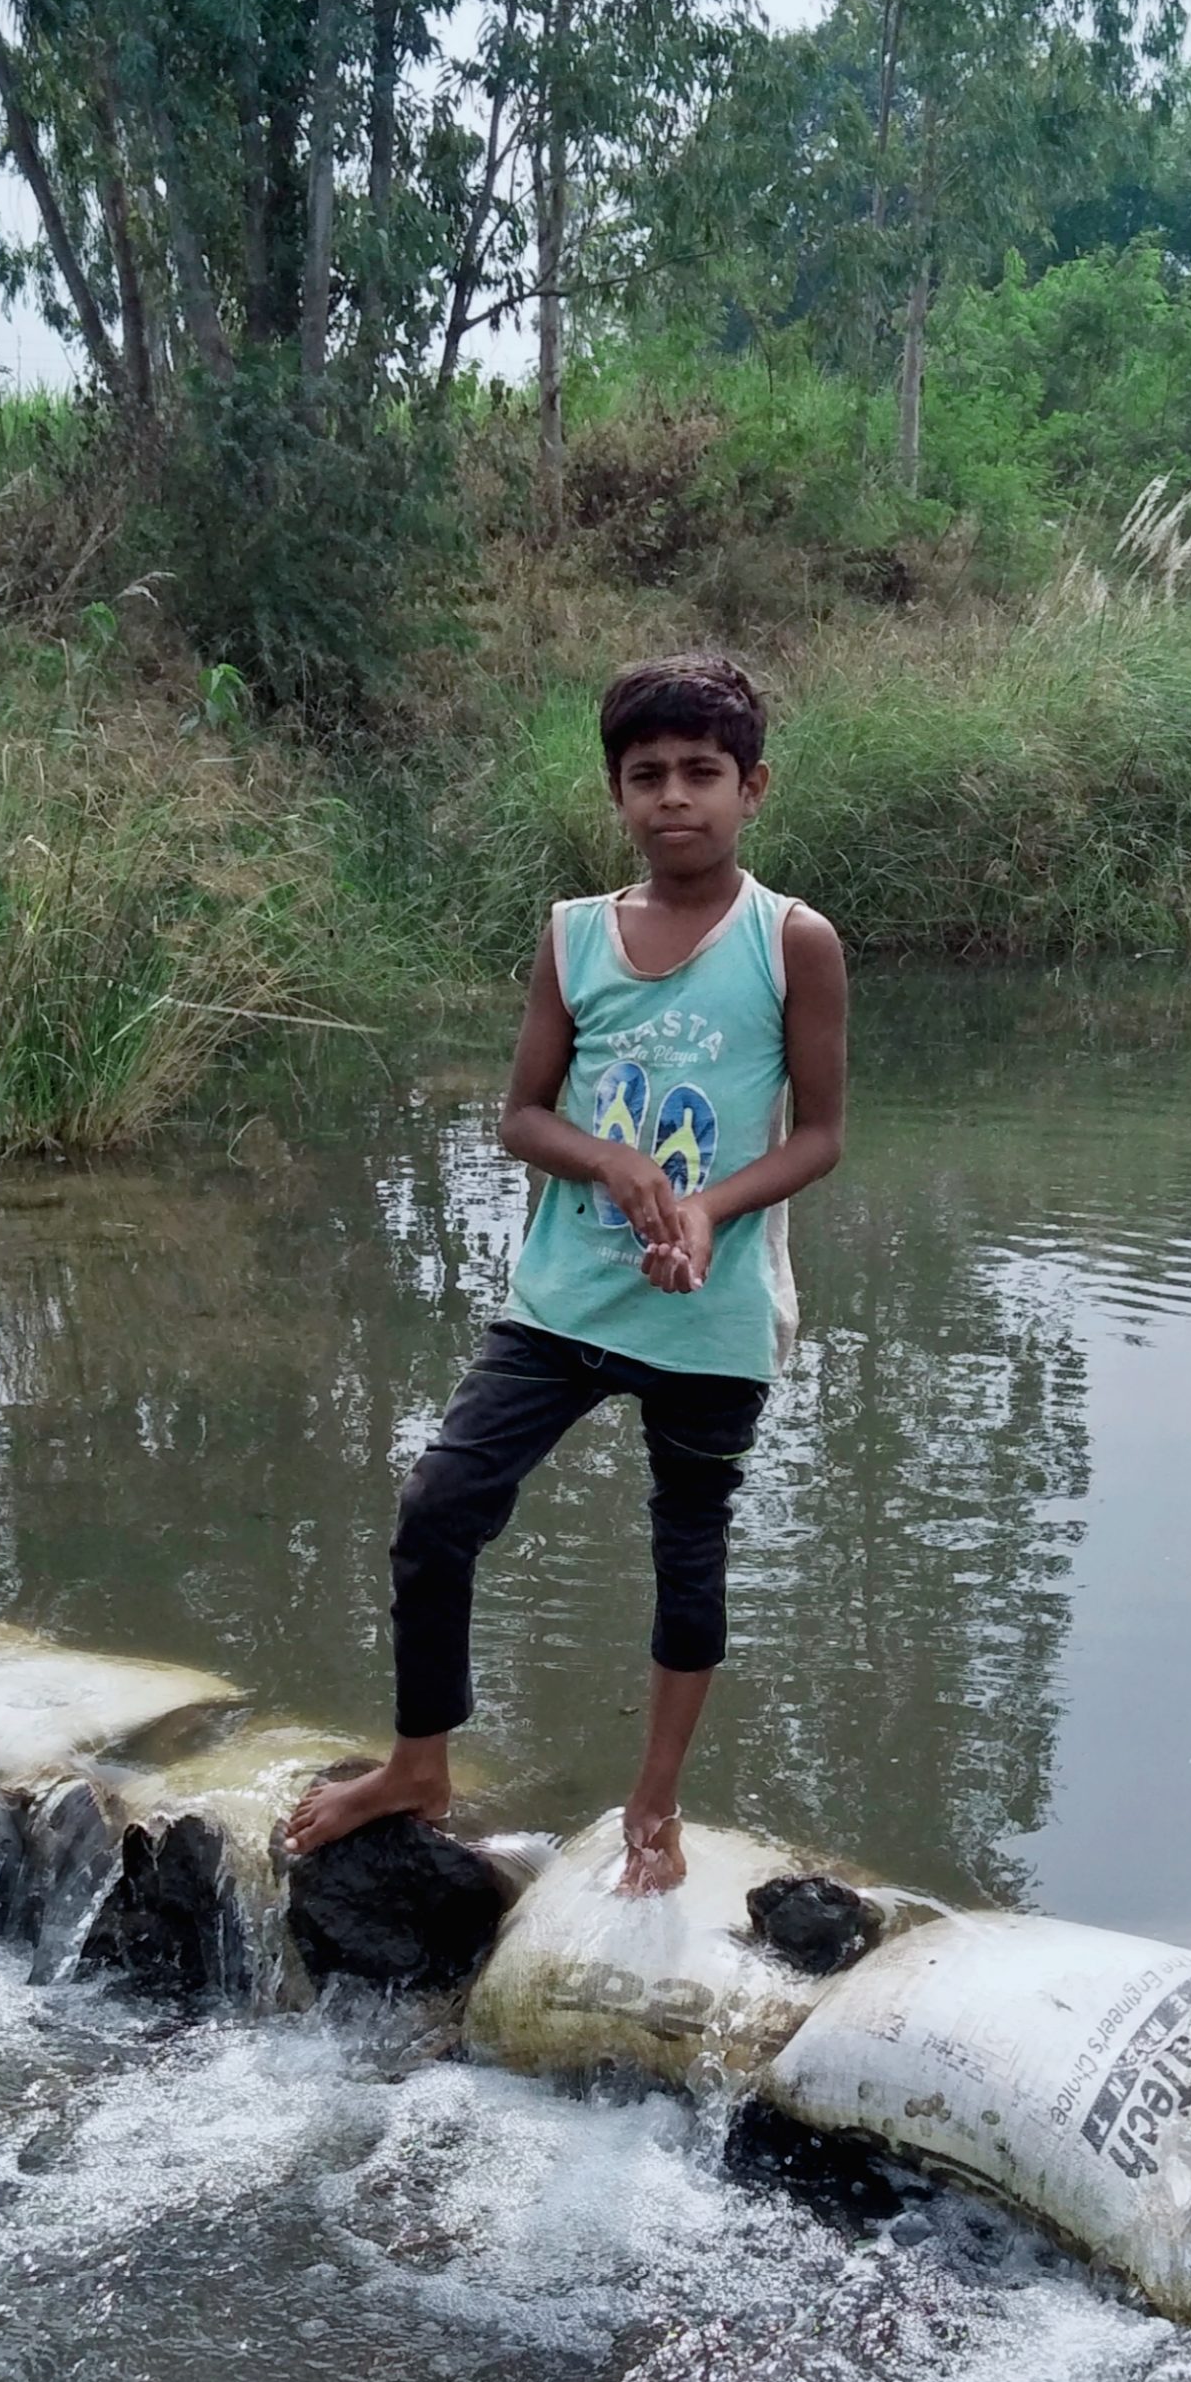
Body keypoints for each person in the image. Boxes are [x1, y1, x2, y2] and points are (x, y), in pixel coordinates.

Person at [285, 655, 847, 1893]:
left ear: (753, 788)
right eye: (647, 776)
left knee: (687, 1553)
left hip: (710, 1313)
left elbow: (819, 1134)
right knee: (439, 1512)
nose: (674, 799)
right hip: (562, 1300)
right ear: (616, 794)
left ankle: (655, 1803)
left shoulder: (792, 941)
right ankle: (418, 1764)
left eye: (703, 773)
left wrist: (704, 1205)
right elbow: (522, 1118)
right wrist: (607, 1161)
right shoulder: (575, 936)